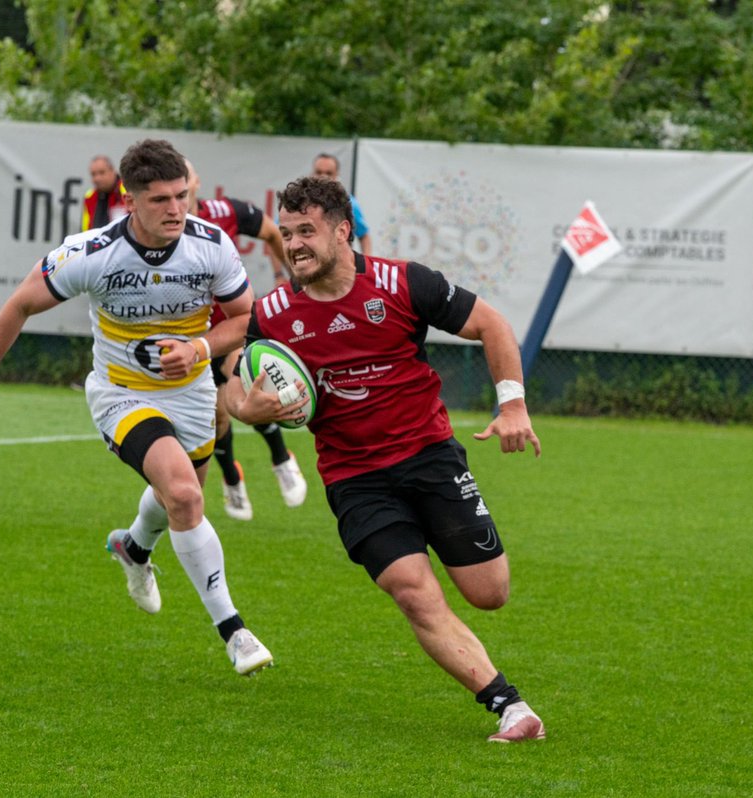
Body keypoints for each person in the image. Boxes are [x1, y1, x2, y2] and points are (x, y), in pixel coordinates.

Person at [225, 176, 546, 742]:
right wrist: (246, 408)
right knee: (413, 592)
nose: (294, 244)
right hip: (355, 479)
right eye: (289, 231)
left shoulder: (403, 283)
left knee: (489, 593)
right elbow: (236, 381)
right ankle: (509, 706)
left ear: (344, 231)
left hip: (430, 458)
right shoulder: (273, 315)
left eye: (308, 231)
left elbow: (490, 324)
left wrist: (513, 405)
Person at [0, 139, 273, 676]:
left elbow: (246, 318)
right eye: (161, 199)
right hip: (123, 394)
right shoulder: (91, 253)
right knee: (187, 497)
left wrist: (198, 348)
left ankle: (133, 548)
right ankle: (233, 630)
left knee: (175, 496)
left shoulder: (211, 244)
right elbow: (19, 306)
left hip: (192, 393)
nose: (175, 209)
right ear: (130, 198)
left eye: (182, 195)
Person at [184, 159, 308, 520]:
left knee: (249, 380)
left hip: (229, 328)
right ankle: (232, 480)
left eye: (186, 176)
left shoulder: (225, 212)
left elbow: (271, 232)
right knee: (216, 417)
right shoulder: (161, 231)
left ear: (195, 181)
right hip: (187, 336)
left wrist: (286, 276)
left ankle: (282, 458)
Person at [312, 153, 372, 254]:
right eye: (319, 172)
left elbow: (364, 236)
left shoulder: (348, 203)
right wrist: (280, 269)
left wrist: (365, 266)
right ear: (312, 174)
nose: (323, 177)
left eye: (329, 173)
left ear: (337, 175)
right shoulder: (301, 202)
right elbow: (278, 234)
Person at [81, 154, 128, 231]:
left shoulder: (127, 191)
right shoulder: (89, 197)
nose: (97, 178)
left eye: (102, 173)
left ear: (113, 171)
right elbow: (86, 230)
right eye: (93, 174)